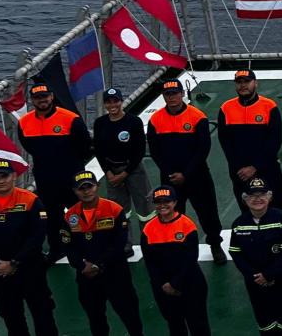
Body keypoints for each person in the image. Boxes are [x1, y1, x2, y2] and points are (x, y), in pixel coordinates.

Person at [0, 160, 57, 336]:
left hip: (30, 269)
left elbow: (37, 237)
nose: (1, 181)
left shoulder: (31, 202)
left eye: (5, 176)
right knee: (11, 316)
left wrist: (15, 262)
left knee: (42, 313)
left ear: (14, 177)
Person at [147, 79, 227, 261]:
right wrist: (170, 173)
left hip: (197, 175)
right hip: (170, 178)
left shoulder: (197, 117)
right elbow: (155, 151)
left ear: (182, 94)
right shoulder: (155, 120)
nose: (172, 97)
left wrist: (186, 174)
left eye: (175, 93)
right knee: (173, 214)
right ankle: (177, 247)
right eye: (168, 94)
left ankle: (215, 245)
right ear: (163, 96)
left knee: (208, 213)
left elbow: (203, 150)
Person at [62, 171, 145, 336]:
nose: (86, 191)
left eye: (89, 186)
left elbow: (119, 244)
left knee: (130, 315)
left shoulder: (114, 210)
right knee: (96, 319)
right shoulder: (70, 216)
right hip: (87, 277)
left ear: (97, 186)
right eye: (81, 188)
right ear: (74, 191)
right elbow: (68, 247)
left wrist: (97, 264)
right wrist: (80, 265)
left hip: (115, 275)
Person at [17, 82, 91, 257]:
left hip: (72, 176)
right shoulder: (24, 123)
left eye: (45, 96)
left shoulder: (71, 119)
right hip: (45, 178)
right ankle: (56, 249)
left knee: (80, 211)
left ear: (51, 97)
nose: (42, 100)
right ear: (32, 100)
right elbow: (29, 147)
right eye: (37, 97)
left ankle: (86, 244)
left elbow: (85, 146)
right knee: (50, 215)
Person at [229, 177, 282, 335]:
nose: (257, 199)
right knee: (265, 323)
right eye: (252, 195)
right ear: (245, 199)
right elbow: (235, 253)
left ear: (270, 196)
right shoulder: (239, 224)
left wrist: (268, 275)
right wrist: (254, 276)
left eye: (262, 194)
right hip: (256, 284)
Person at [141, 186, 211, 336]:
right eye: (158, 202)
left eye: (167, 201)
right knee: (175, 325)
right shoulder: (148, 229)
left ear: (175, 202)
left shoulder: (187, 225)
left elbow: (190, 260)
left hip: (190, 284)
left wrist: (174, 283)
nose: (162, 205)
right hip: (163, 287)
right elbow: (150, 262)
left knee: (198, 325)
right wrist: (163, 284)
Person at [220, 70, 282, 205]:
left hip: (268, 169)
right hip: (240, 173)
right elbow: (225, 143)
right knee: (246, 210)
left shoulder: (269, 106)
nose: (243, 85)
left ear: (256, 83)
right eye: (239, 82)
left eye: (247, 82)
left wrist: (255, 167)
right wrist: (240, 167)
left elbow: (274, 141)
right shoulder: (226, 108)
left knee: (276, 206)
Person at [92, 87, 151, 238]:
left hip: (134, 170)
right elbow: (99, 151)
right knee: (119, 210)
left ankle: (149, 238)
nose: (113, 105)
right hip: (112, 172)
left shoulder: (134, 122)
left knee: (145, 208)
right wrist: (109, 173)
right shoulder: (100, 124)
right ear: (105, 104)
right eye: (108, 102)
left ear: (121, 101)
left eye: (115, 101)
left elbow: (139, 151)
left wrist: (125, 173)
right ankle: (125, 242)